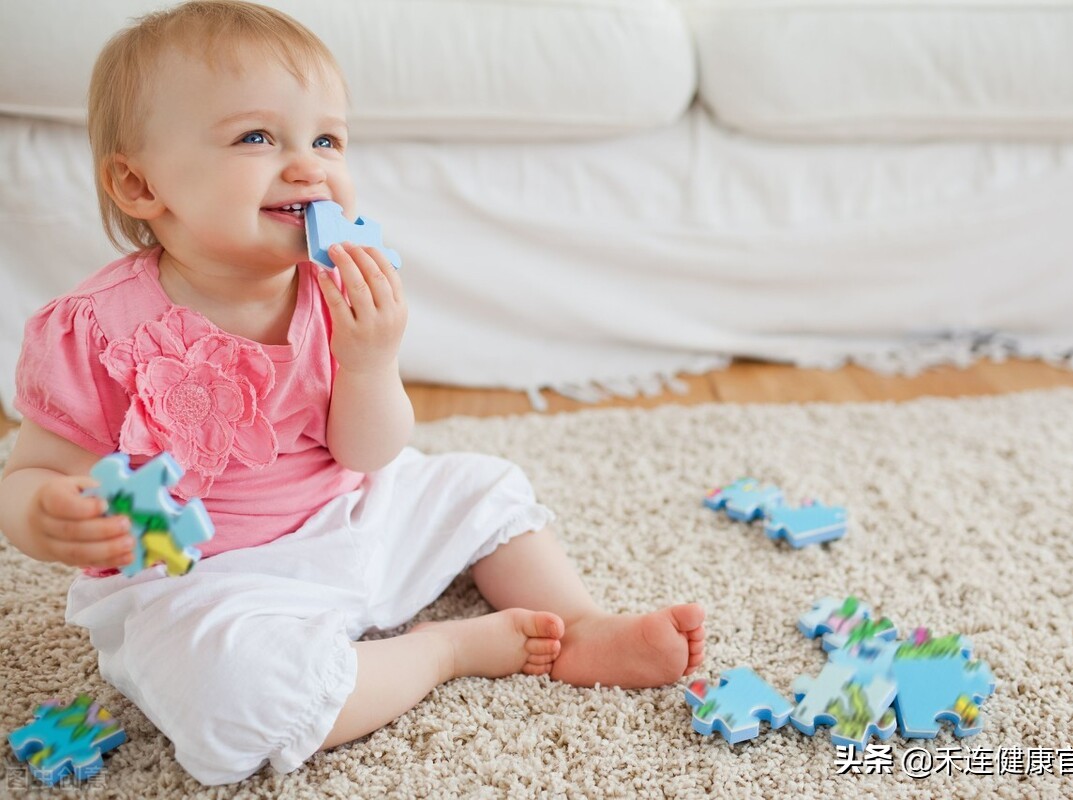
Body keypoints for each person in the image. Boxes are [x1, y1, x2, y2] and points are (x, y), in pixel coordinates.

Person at [0, 1, 705, 786]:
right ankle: (440, 650)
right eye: (256, 138)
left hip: (351, 515)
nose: (309, 165)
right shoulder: (96, 331)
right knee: (234, 696)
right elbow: (31, 471)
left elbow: (369, 454)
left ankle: (578, 624)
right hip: (207, 581)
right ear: (140, 184)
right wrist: (43, 513)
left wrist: (372, 361)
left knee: (483, 486)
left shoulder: (332, 287)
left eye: (327, 138)